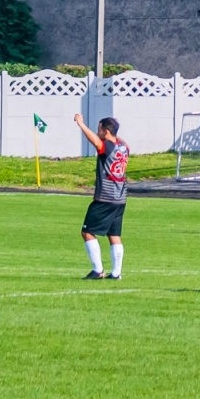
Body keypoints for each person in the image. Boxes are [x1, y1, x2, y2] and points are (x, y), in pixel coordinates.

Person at [74, 113, 131, 280]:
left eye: (99, 129)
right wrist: (113, 133)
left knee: (87, 232)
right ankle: (116, 273)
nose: (97, 132)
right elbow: (125, 143)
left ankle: (98, 270)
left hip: (105, 197)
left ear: (106, 132)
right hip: (120, 197)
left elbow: (96, 142)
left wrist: (81, 124)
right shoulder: (123, 147)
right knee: (114, 234)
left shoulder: (108, 146)